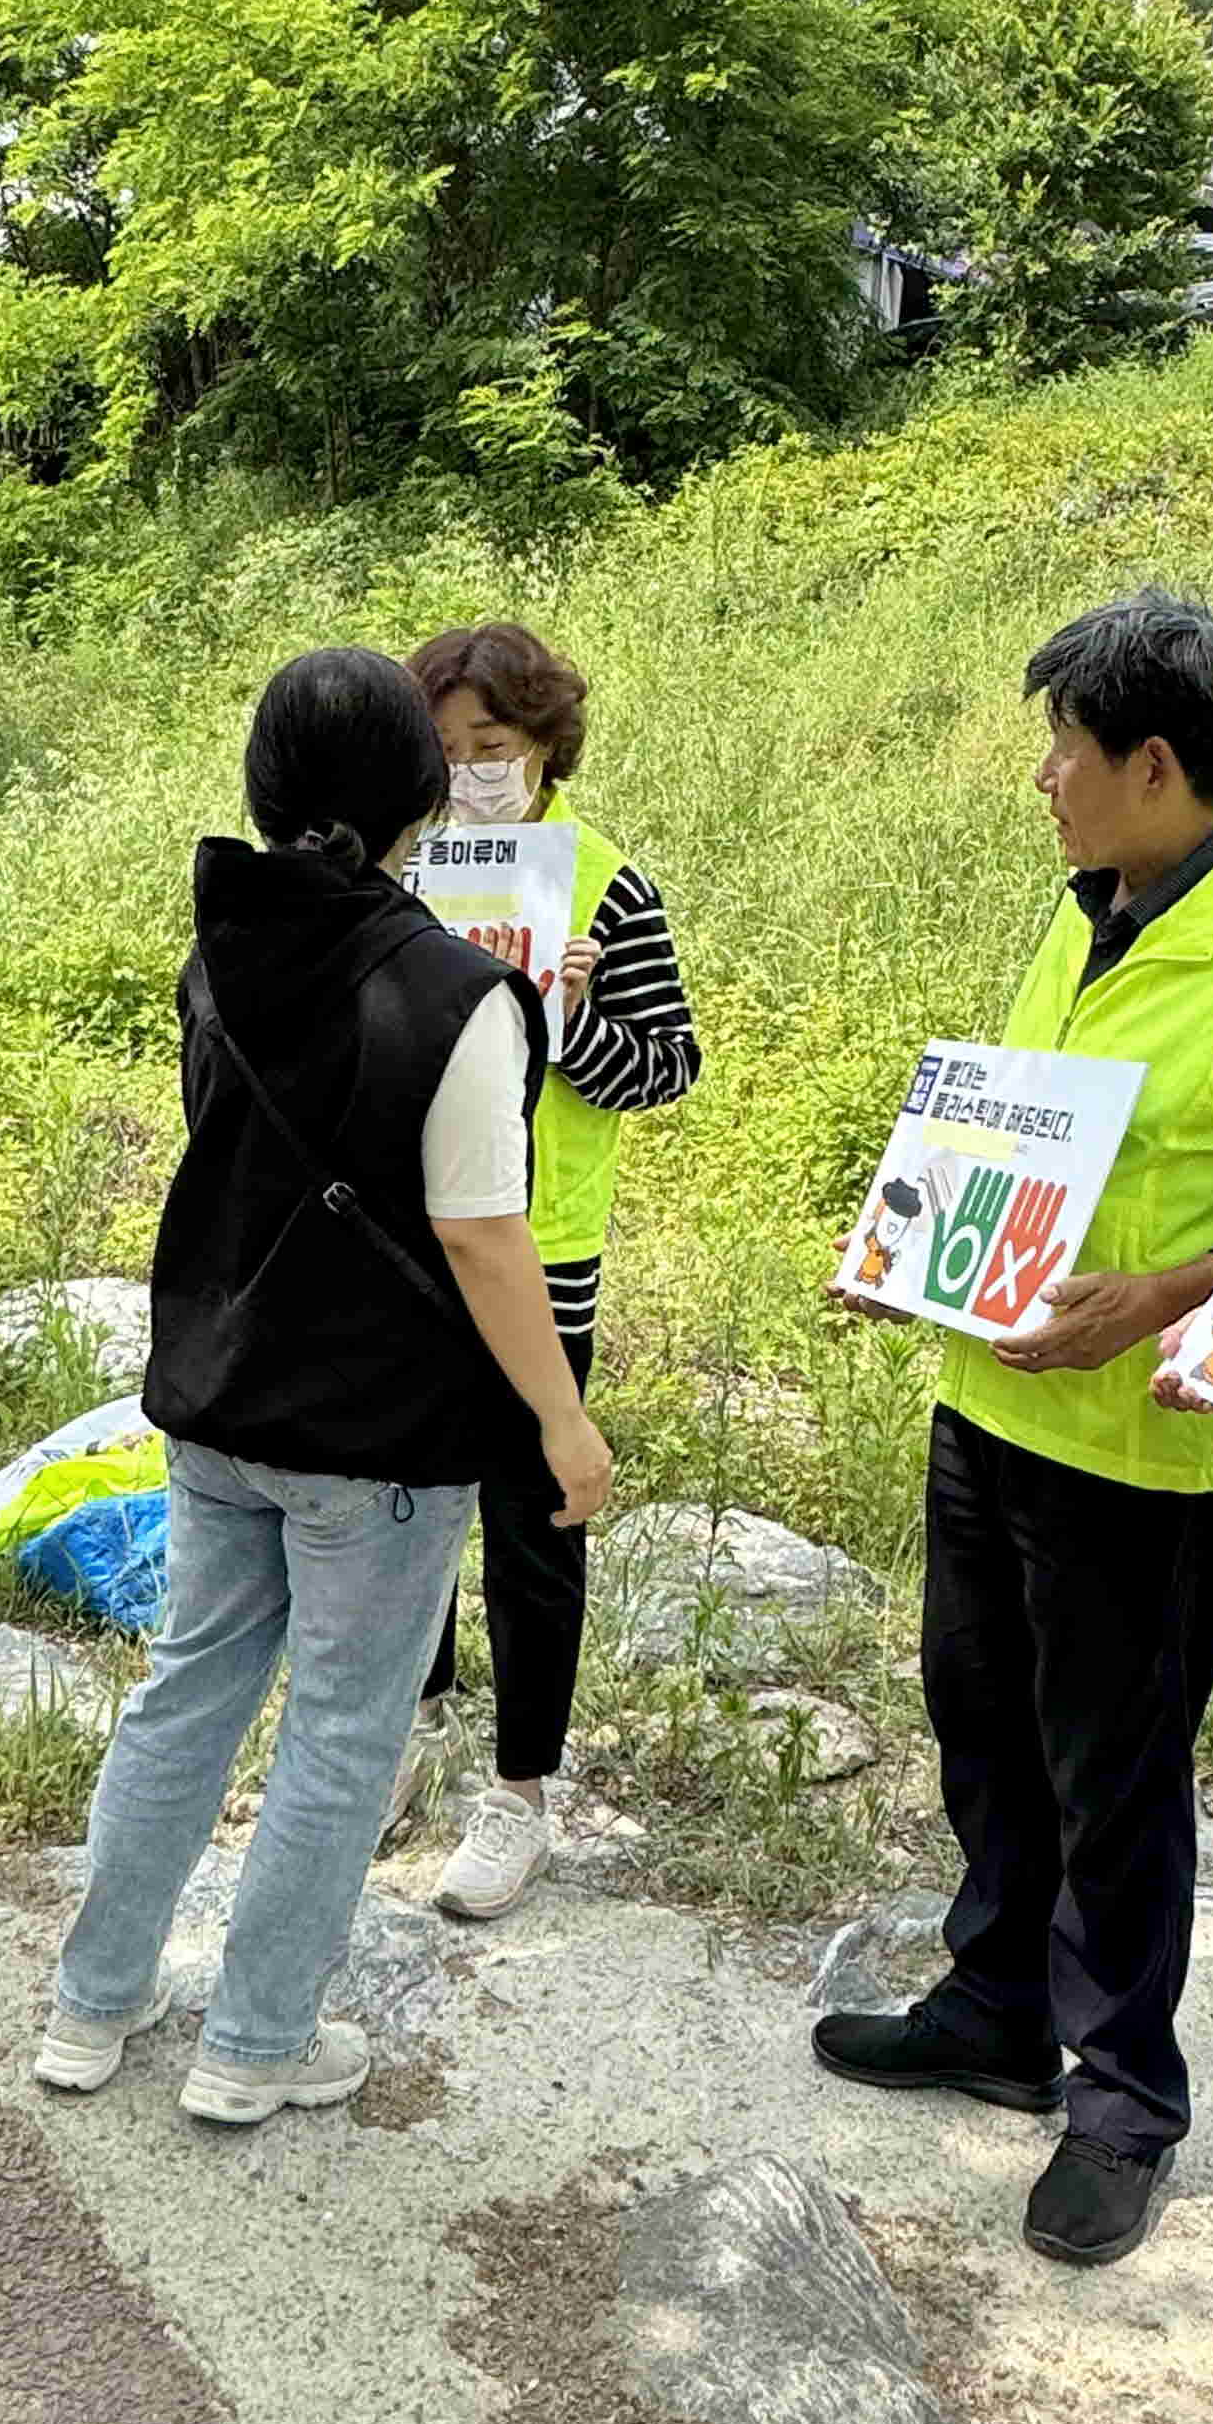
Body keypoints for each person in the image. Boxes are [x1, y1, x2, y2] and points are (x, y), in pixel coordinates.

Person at [814, 589, 1213, 2267]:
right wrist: (915, 1247)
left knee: (1114, 1778)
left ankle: (1124, 2097)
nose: (1042, 771)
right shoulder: (1087, 911)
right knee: (978, 1713)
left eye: (1067, 742)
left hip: (1143, 1455)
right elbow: (1026, 1135)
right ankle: (995, 2006)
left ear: (1154, 761)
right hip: (988, 1404)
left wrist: (1162, 1297)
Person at [32, 648, 614, 2125]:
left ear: (266, 781)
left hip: (221, 1398)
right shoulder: (458, 992)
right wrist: (559, 1414)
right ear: (419, 789)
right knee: (343, 1730)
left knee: (186, 1695)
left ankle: (90, 2008)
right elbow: (487, 1235)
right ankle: (256, 2042)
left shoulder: (222, 938)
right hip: (376, 1437)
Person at [385, 621, 703, 1917]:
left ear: (547, 744)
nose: (471, 774)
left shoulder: (607, 887)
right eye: (449, 752)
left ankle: (520, 1793)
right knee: (399, 1502)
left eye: (494, 747)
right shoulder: (406, 869)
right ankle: (395, 1735)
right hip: (411, 1248)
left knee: (530, 1523)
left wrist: (570, 1016)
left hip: (543, 1250)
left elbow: (666, 1065)